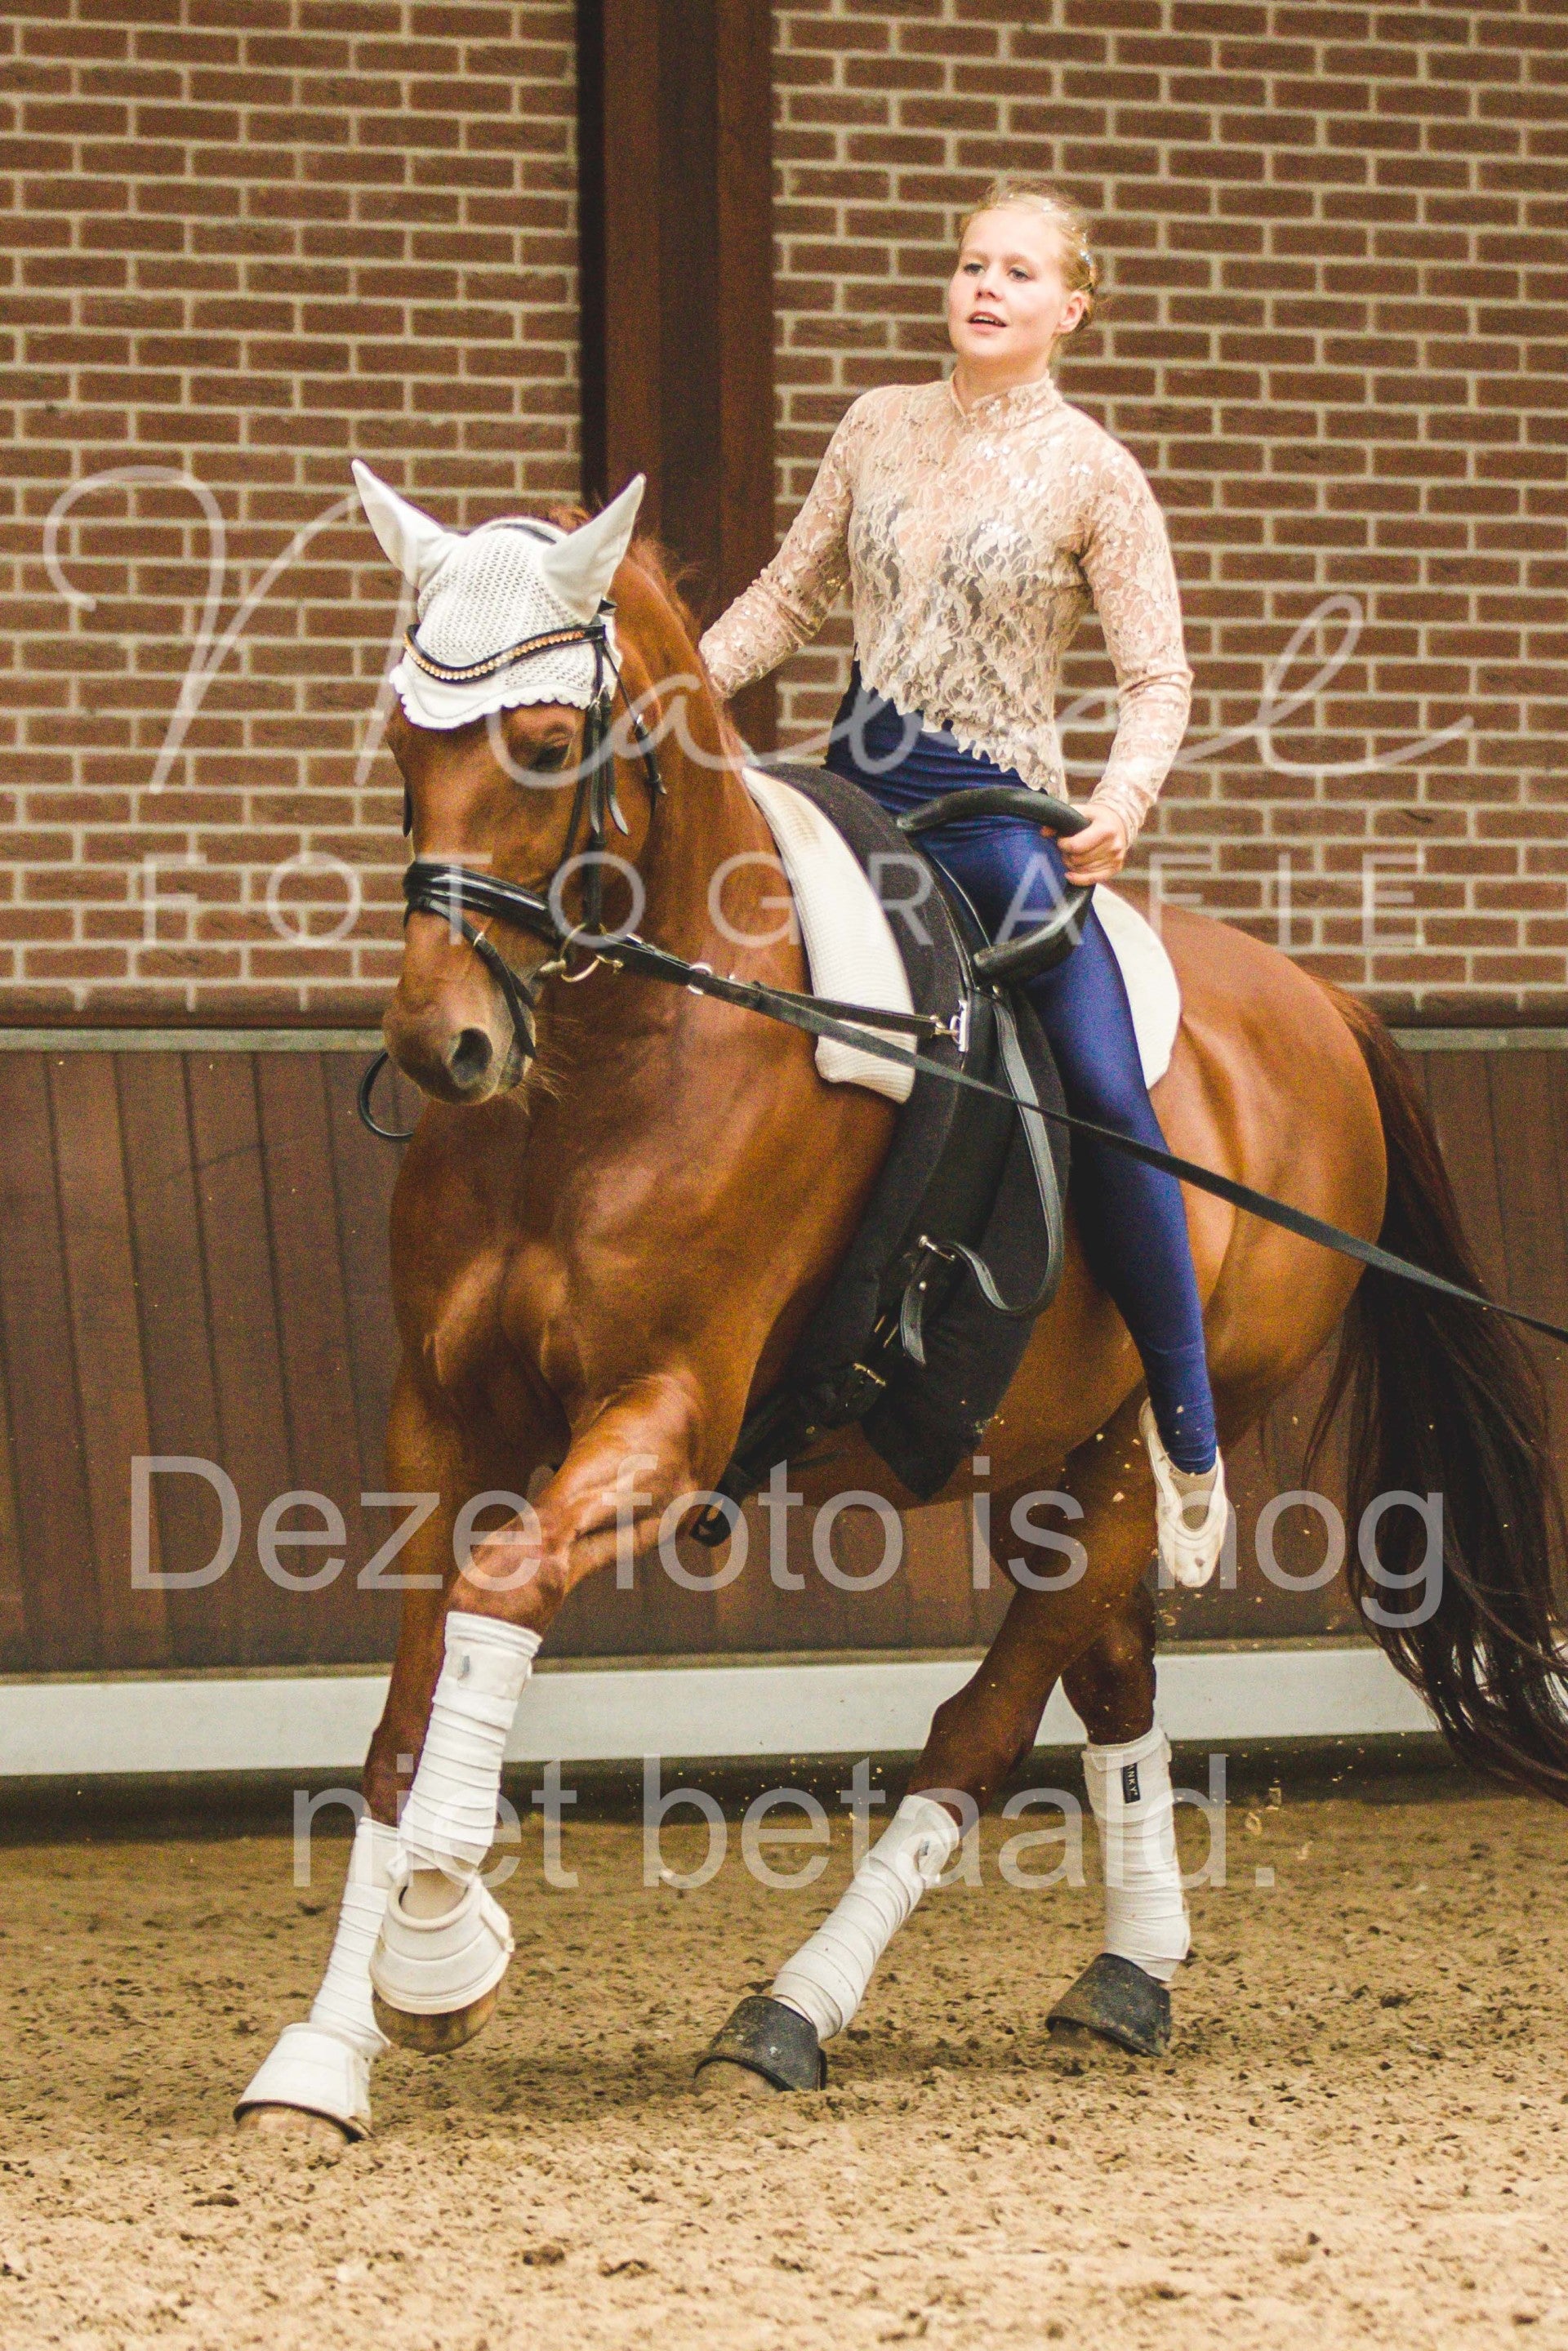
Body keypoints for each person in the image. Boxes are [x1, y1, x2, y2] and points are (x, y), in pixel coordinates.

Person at [698, 175, 1228, 1588]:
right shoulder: (875, 424)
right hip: (852, 787)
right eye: (970, 263)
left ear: (1073, 308)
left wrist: (1119, 804)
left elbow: (1159, 677)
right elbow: (789, 596)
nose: (984, 287)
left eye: (1018, 272)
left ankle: (1187, 1428)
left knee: (1106, 1091)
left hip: (994, 821)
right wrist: (672, 694)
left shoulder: (1095, 473)